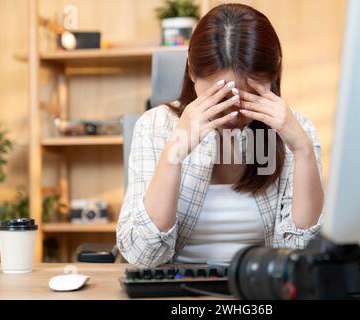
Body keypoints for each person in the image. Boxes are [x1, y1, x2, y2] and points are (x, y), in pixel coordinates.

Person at [117, 3, 324, 268]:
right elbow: (144, 256)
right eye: (222, 97)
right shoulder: (154, 127)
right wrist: (174, 154)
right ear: (191, 69)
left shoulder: (296, 131)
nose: (234, 113)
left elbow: (303, 259)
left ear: (273, 77)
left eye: (248, 96)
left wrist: (303, 150)